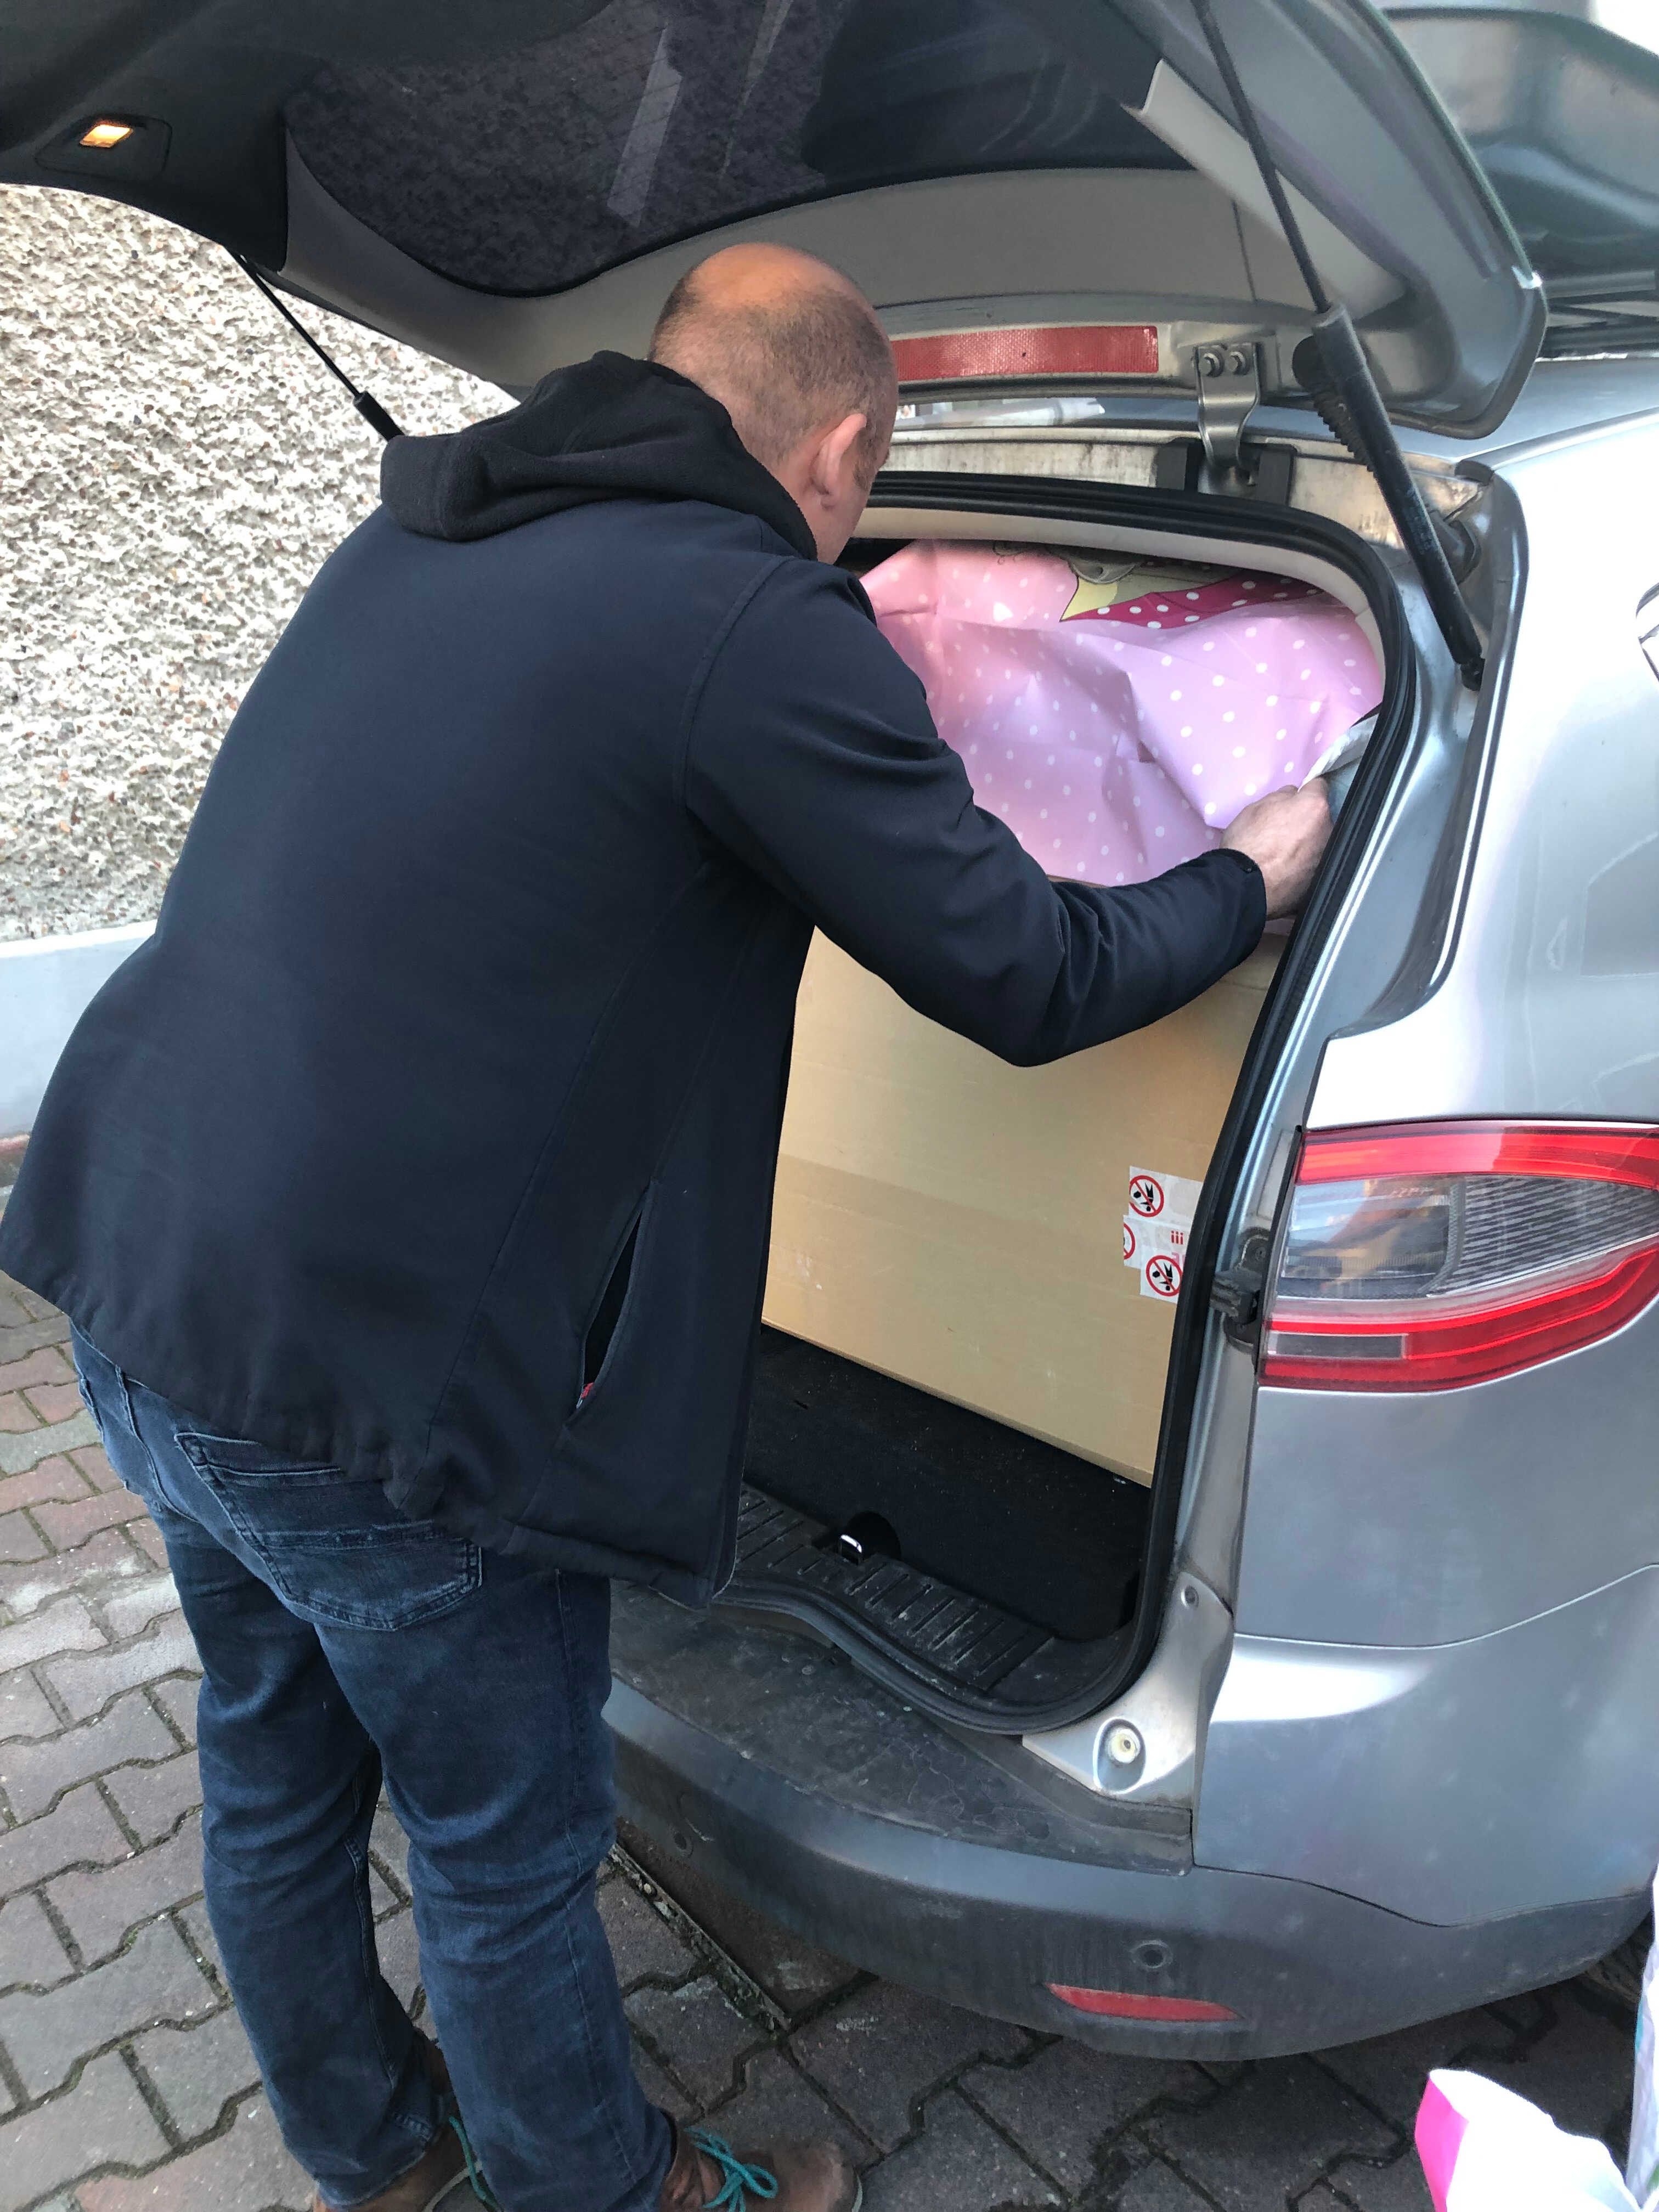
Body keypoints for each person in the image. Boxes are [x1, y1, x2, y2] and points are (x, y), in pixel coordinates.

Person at [0, 244, 1330, 2212]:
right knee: (506, 1846)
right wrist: (1250, 868)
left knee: (272, 1755)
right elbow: (1028, 972)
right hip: (380, 1381)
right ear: (849, 446)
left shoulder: (420, 541)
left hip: (140, 1265)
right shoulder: (749, 621)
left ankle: (374, 2152)